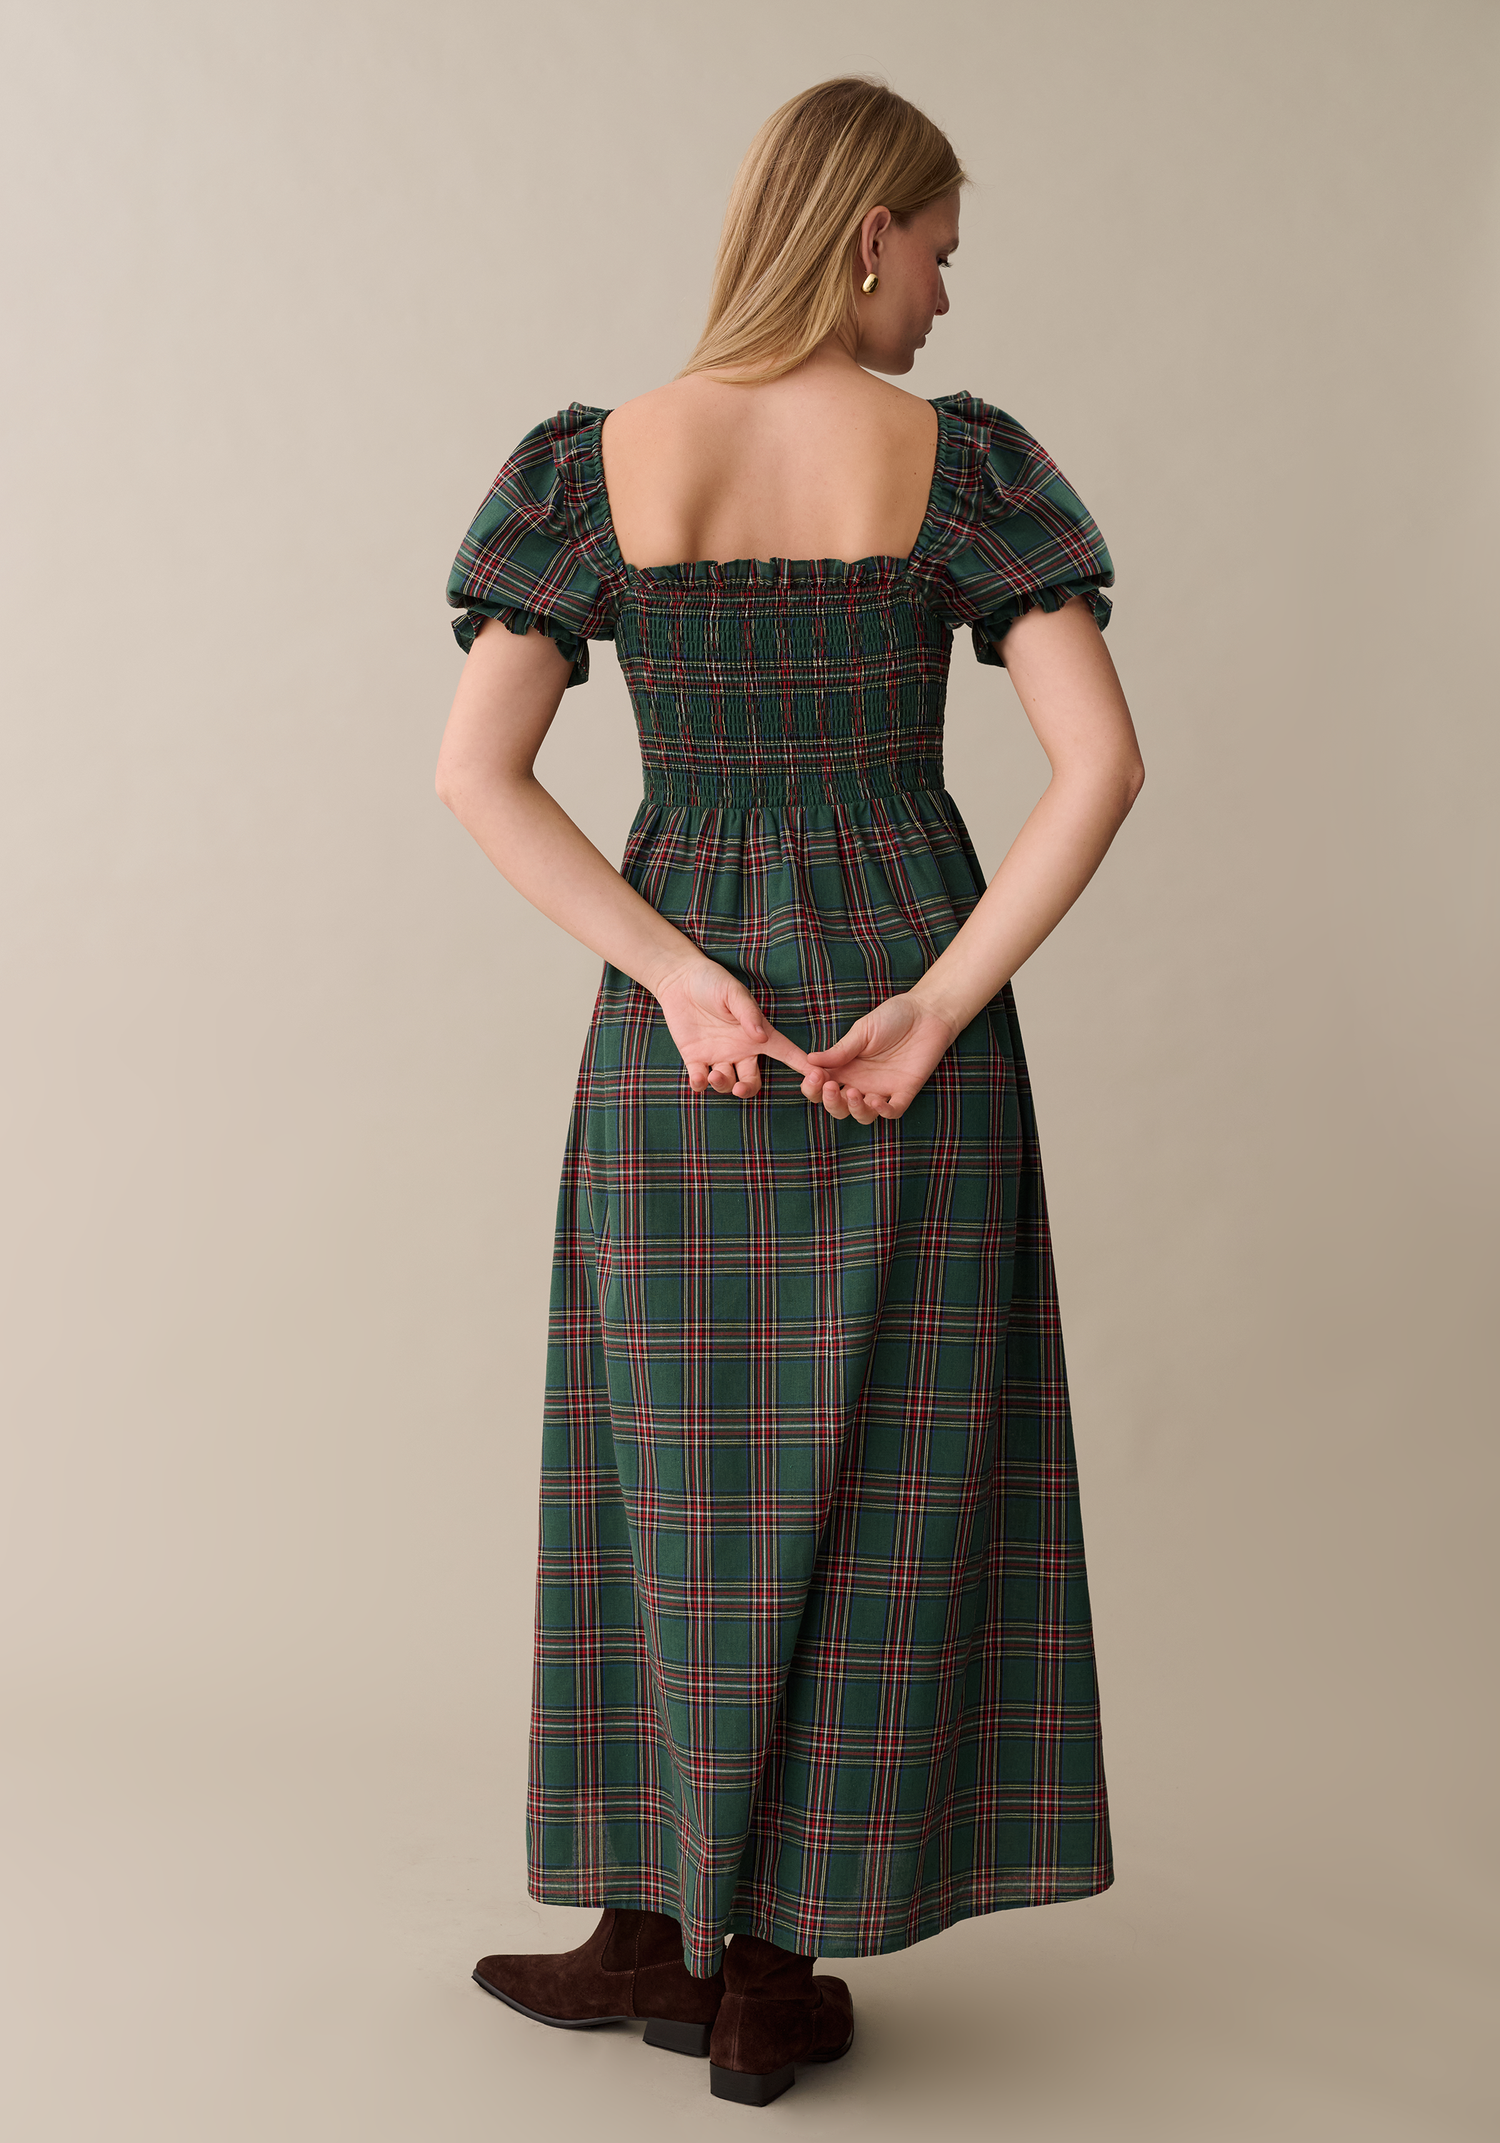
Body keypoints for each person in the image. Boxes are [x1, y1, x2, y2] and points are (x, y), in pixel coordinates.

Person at [434, 76, 1143, 2109]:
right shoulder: (963, 461)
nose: (945, 294)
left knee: (660, 1460)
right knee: (883, 1464)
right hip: (905, 989)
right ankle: (743, 1961)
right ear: (863, 236)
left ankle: (670, 1932)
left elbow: (476, 772)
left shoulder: (594, 466)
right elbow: (1102, 765)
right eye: (938, 249)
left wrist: (672, 968)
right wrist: (937, 1002)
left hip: (687, 1020)